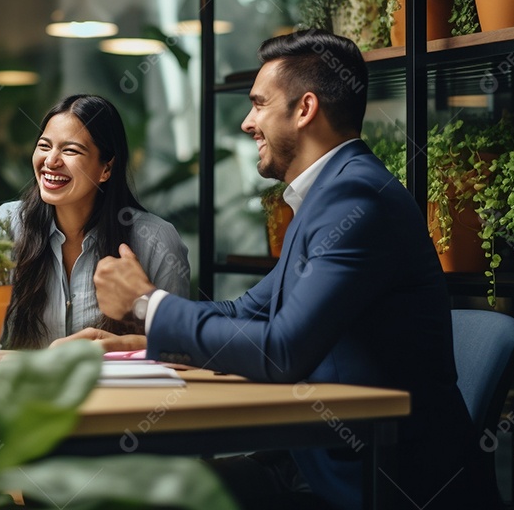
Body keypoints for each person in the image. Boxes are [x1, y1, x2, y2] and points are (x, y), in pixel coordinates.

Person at [93, 31, 487, 510]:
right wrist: (139, 335)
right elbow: (248, 311)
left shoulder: (356, 200)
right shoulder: (329, 195)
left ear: (304, 109)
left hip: (374, 482)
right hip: (311, 458)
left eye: (258, 104)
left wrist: (145, 301)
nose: (246, 122)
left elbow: (281, 350)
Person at [0, 94, 190, 350]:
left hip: (121, 390)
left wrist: (134, 324)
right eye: (44, 146)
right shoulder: (6, 227)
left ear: (106, 168)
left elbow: (180, 349)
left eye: (70, 150)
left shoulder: (157, 240)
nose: (51, 161)